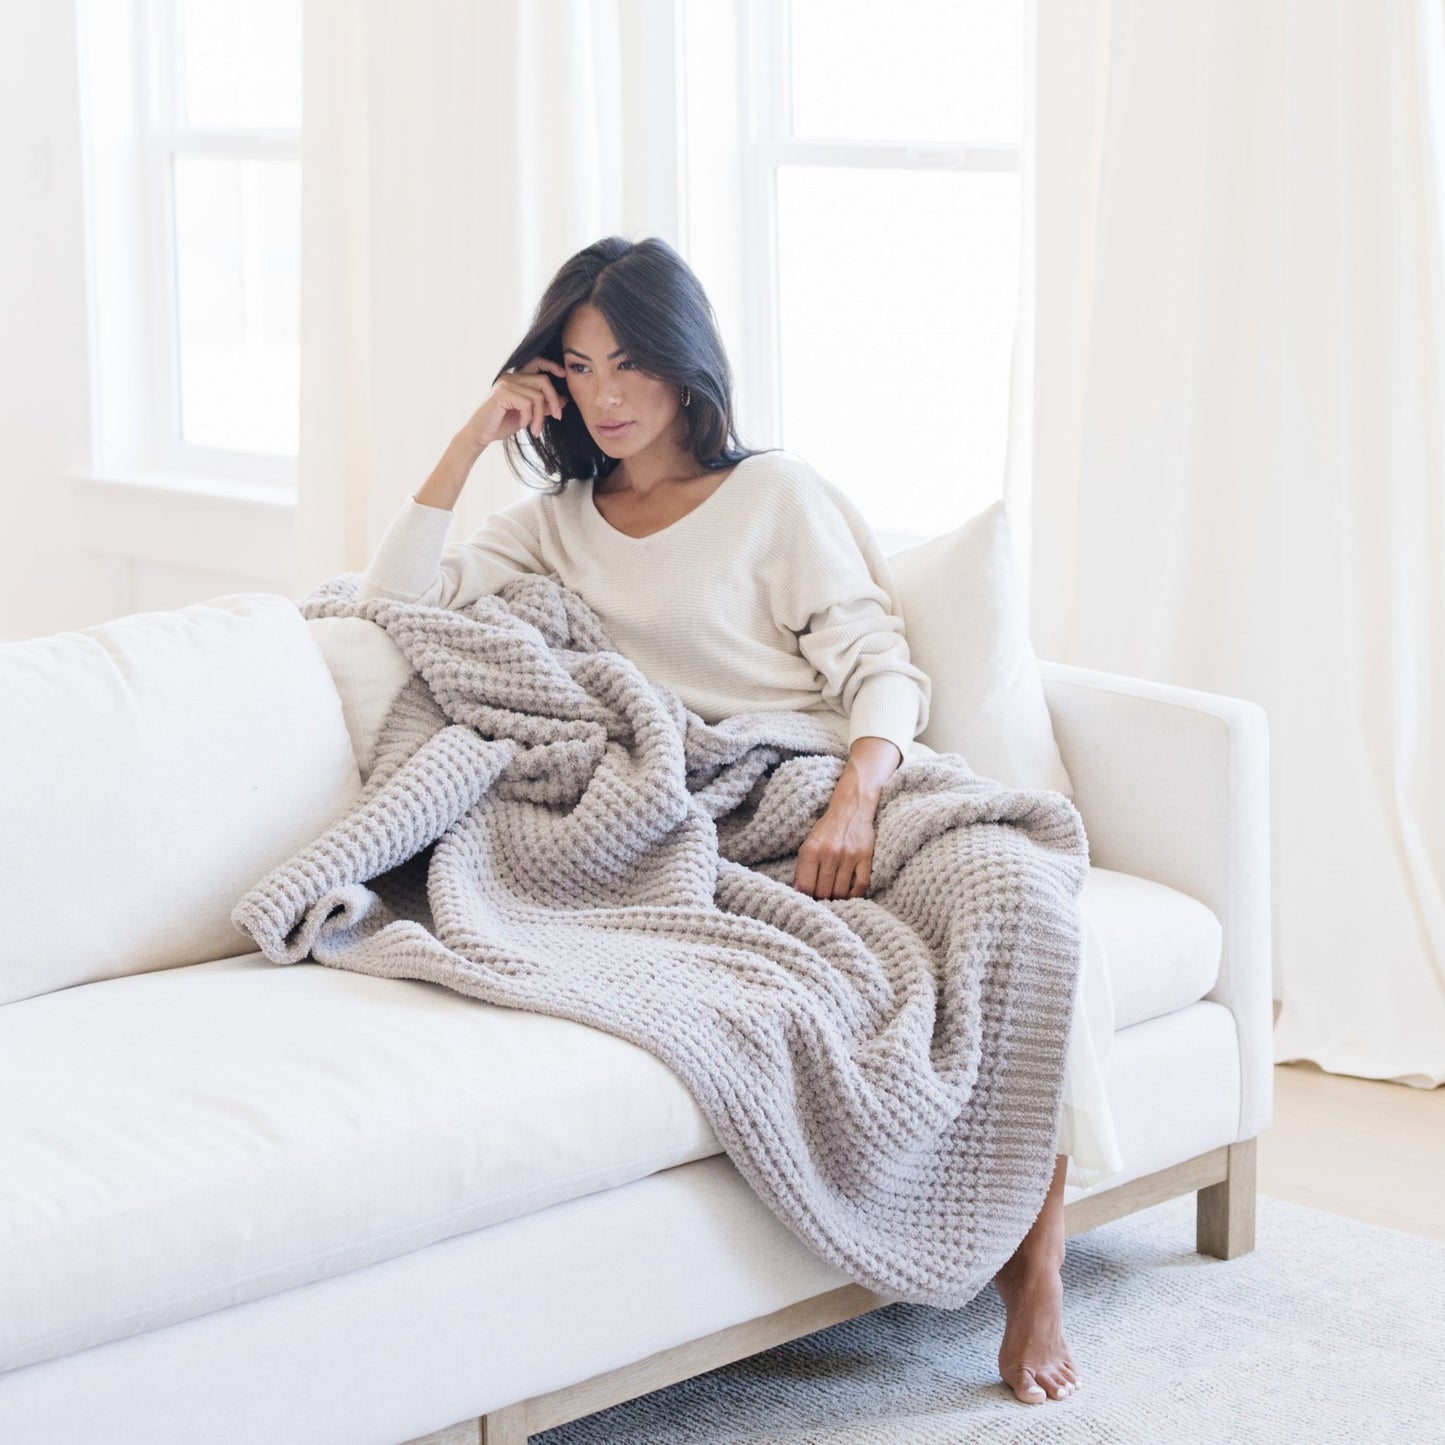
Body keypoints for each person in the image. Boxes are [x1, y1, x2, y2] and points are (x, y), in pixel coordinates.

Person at [357, 234, 1119, 1406]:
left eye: (629, 365)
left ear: (684, 366)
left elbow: (879, 665)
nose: (605, 396)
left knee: (1019, 898)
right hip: (697, 807)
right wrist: (469, 440)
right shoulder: (556, 520)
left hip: (831, 779)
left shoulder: (775, 494)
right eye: (576, 366)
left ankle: (1037, 1259)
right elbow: (393, 601)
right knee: (790, 989)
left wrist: (859, 797)